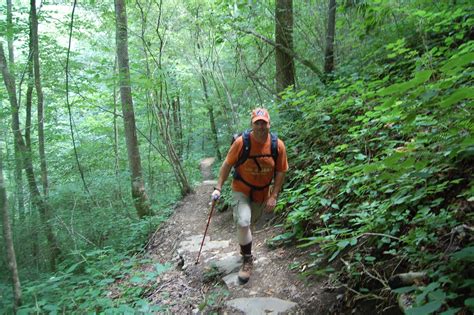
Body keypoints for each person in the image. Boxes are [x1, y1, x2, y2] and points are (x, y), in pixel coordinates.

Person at [211, 108, 288, 284]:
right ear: (252, 124)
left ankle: (244, 247)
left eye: (264, 123)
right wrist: (218, 188)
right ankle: (247, 260)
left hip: (262, 192)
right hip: (241, 188)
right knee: (244, 221)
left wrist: (274, 195)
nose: (261, 127)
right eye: (257, 123)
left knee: (249, 225)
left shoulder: (278, 146)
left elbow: (281, 171)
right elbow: (226, 165)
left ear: (269, 124)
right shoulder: (241, 143)